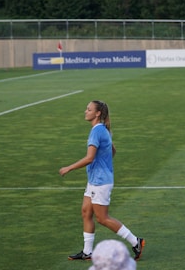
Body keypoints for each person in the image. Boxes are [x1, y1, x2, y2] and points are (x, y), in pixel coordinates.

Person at [59, 100, 145, 261]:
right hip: (94, 180)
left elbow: (90, 158)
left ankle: (136, 242)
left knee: (102, 218)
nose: (85, 111)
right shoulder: (103, 129)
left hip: (100, 182)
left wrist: (69, 168)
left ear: (97, 113)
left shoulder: (97, 131)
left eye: (89, 109)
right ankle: (87, 252)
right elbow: (113, 150)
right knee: (86, 212)